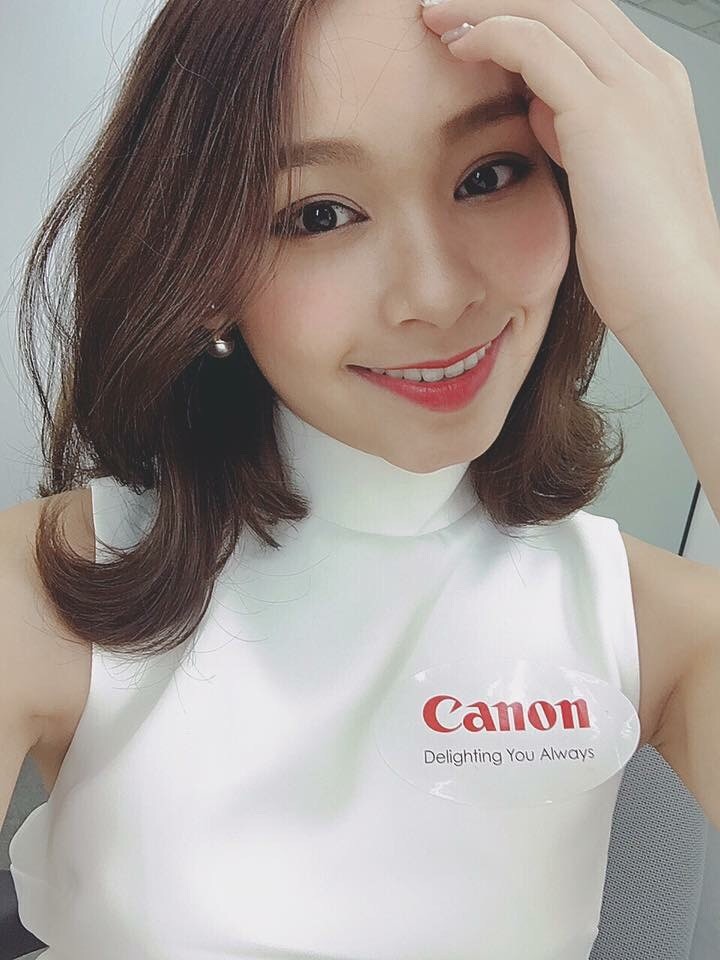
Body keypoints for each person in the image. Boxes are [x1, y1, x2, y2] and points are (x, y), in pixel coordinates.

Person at [3, 0, 720, 958]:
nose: (436, 294)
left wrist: (688, 294)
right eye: (319, 215)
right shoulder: (41, 591)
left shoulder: (657, 622)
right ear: (202, 265)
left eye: (489, 175)